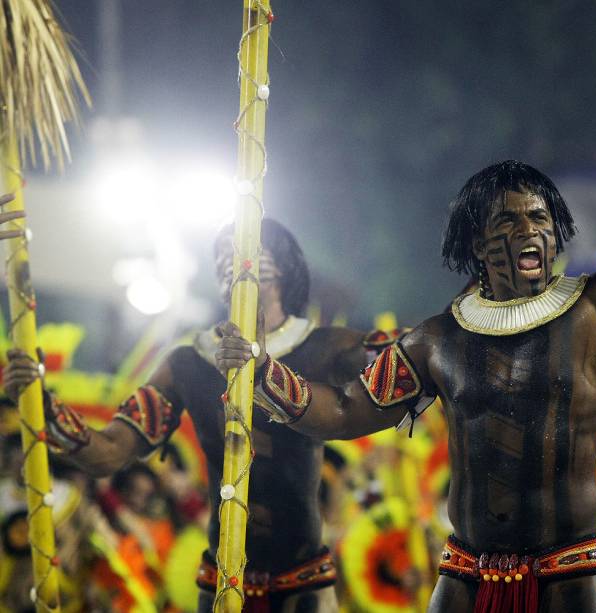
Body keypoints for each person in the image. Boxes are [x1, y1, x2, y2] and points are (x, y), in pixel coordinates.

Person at [216, 10, 596, 612]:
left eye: (541, 220)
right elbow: (343, 411)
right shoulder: (436, 342)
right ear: (477, 245)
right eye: (509, 220)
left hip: (568, 580)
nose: (530, 232)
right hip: (464, 580)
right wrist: (261, 369)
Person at [3, 219, 379, 613]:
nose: (228, 263)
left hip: (304, 587)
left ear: (281, 265)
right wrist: (45, 408)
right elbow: (110, 452)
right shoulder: (188, 363)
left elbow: (412, 361)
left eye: (245, 251)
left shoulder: (325, 348)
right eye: (220, 257)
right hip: (220, 583)